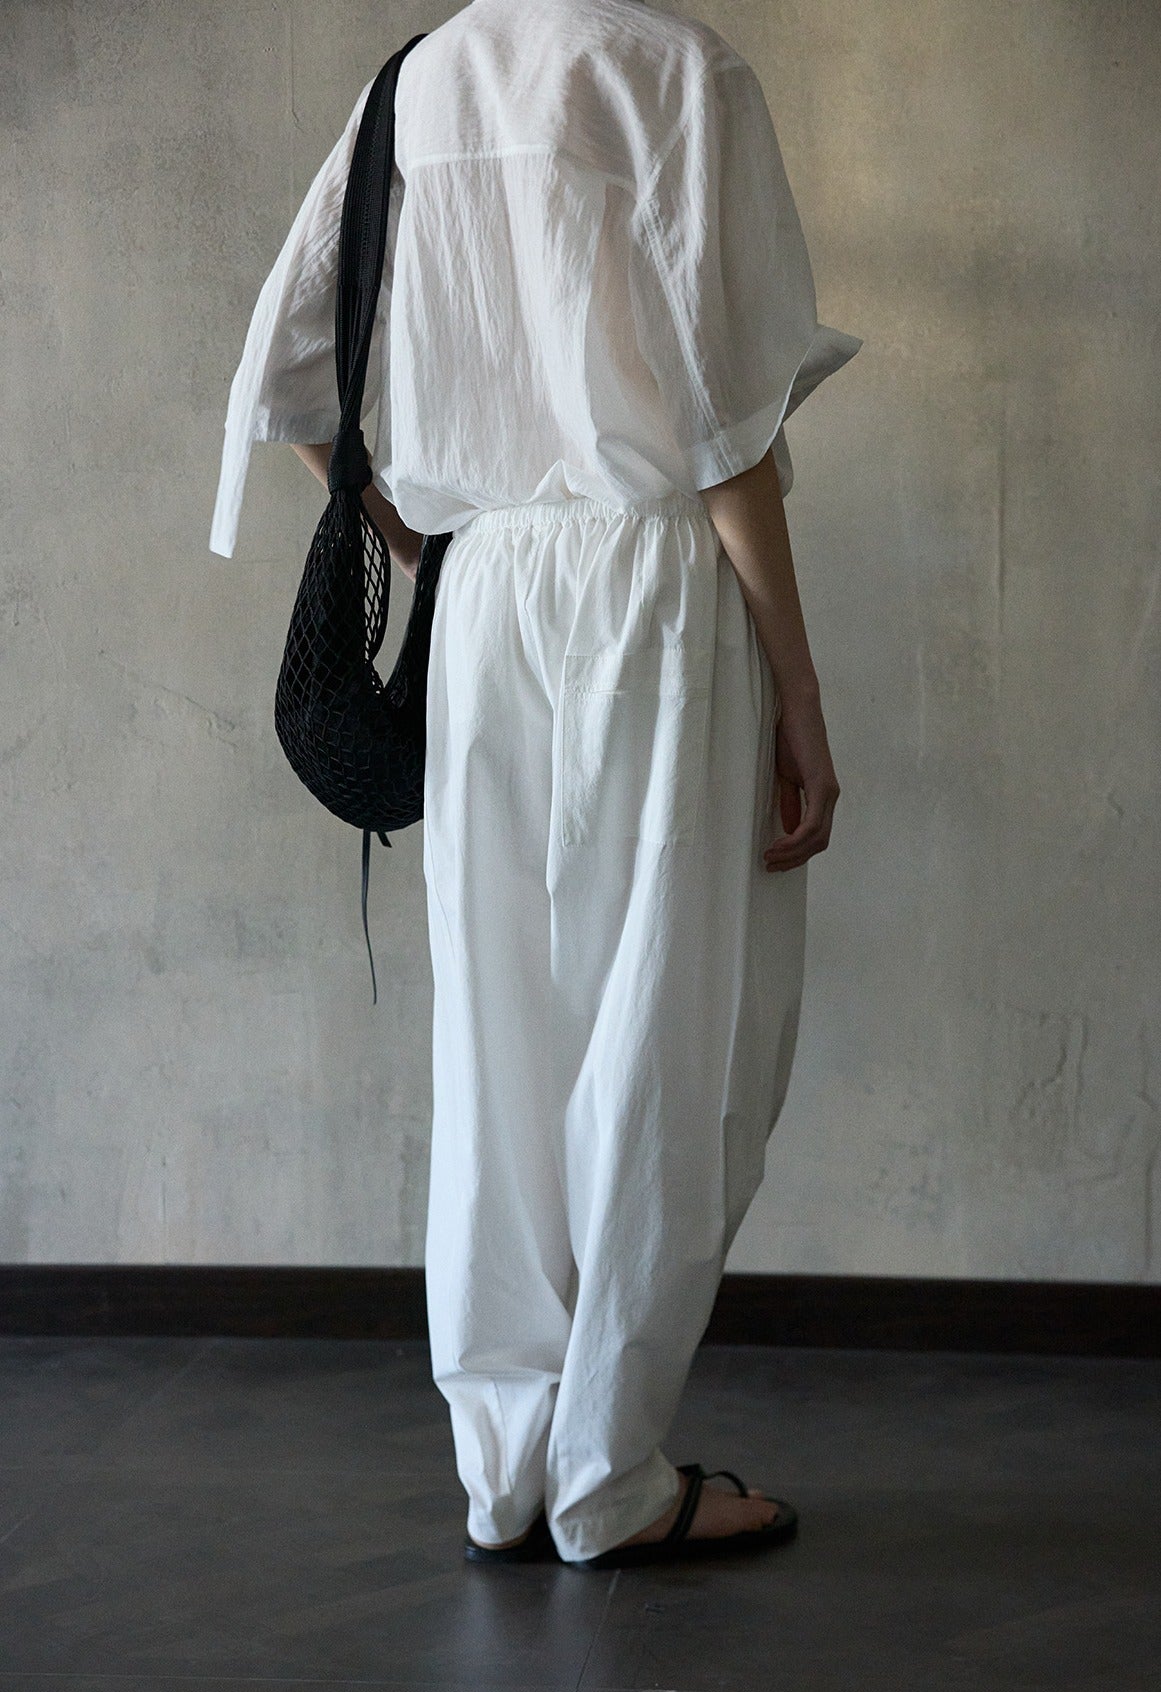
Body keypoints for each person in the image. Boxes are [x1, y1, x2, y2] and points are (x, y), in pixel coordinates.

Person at [209, 0, 861, 1567]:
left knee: (499, 1040)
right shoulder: (678, 71)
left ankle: (507, 1466)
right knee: (669, 1029)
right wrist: (799, 689)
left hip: (489, 595)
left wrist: (428, 536)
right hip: (654, 581)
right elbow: (719, 431)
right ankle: (611, 1475)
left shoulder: (412, 84)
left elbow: (291, 381)